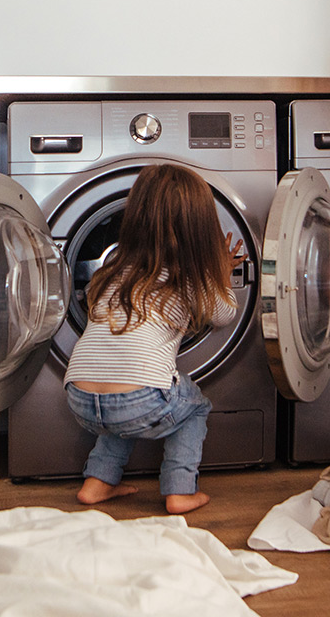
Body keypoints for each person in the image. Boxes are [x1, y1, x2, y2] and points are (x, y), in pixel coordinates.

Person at [64, 163, 246, 514]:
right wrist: (220, 274)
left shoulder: (115, 264)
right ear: (201, 228)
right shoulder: (191, 276)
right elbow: (224, 315)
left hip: (78, 397)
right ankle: (180, 490)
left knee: (121, 393)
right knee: (194, 408)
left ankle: (96, 483)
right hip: (140, 400)